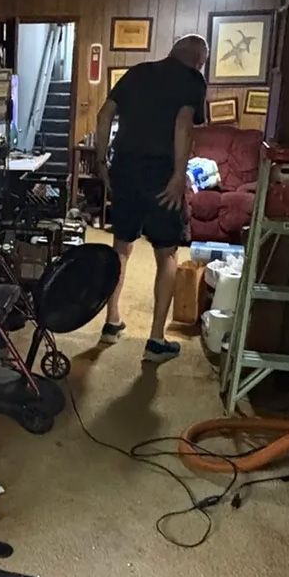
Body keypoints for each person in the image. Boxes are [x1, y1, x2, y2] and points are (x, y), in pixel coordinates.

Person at [94, 34, 208, 364]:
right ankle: (156, 341)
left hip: (125, 168)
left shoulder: (138, 72)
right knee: (166, 253)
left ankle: (111, 323)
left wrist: (102, 164)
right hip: (161, 174)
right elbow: (183, 126)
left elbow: (104, 117)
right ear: (198, 60)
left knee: (121, 247)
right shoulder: (192, 81)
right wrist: (177, 176)